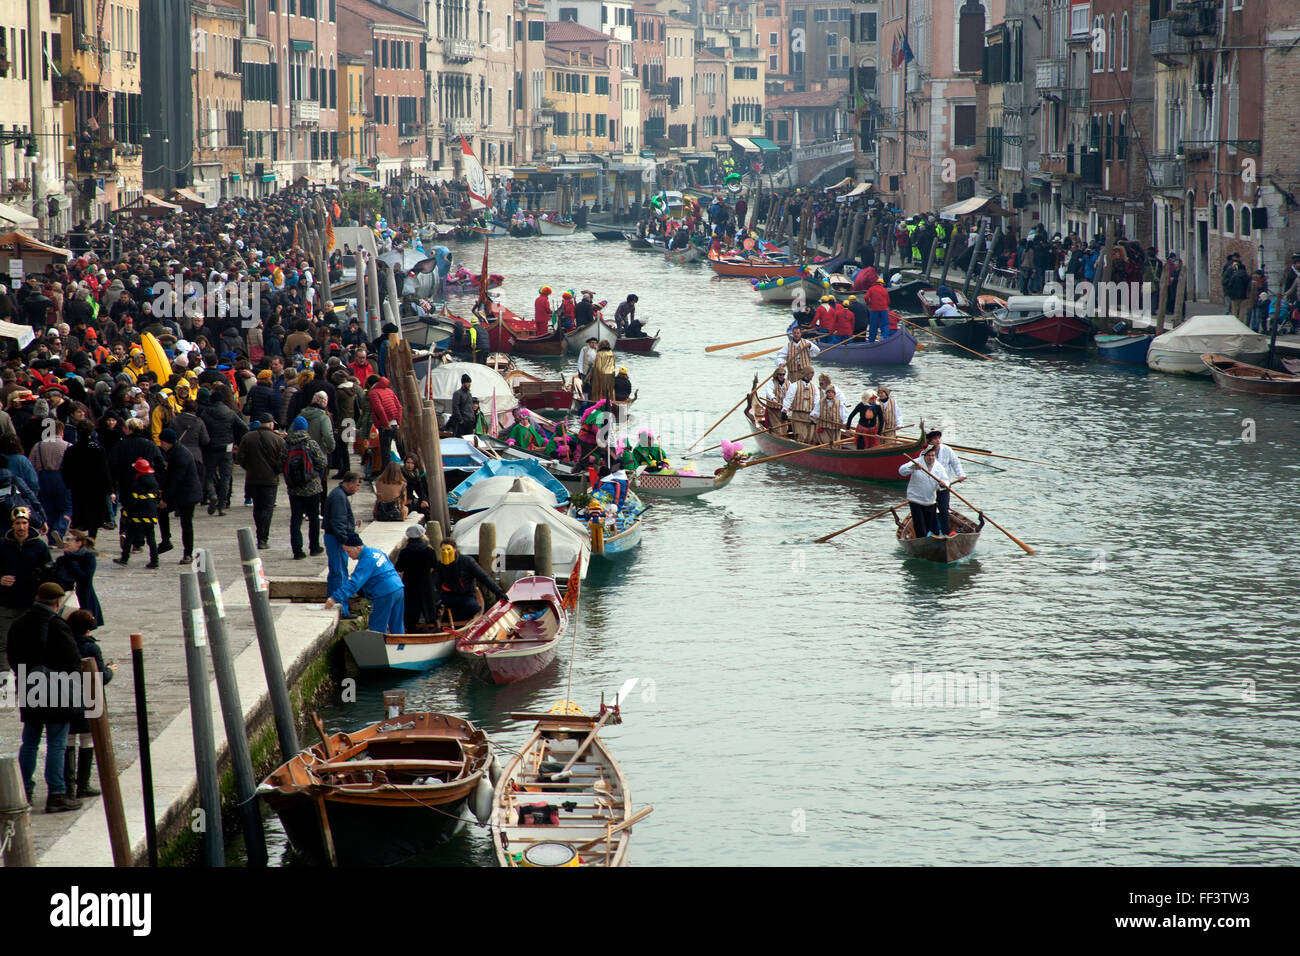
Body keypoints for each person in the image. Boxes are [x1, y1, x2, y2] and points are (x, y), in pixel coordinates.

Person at [6, 582, 83, 811]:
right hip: (56, 689)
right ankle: (57, 794)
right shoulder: (57, 625)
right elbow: (71, 661)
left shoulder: (19, 623)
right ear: (58, 602)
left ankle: (24, 790)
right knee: (57, 742)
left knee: (30, 741)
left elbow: (11, 655)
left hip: (29, 686)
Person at [65, 607, 114, 799]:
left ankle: (68, 786)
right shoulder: (91, 647)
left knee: (68, 740)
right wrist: (111, 670)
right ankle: (83, 785)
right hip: (88, 699)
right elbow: (100, 677)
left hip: (67, 698)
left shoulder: (64, 642)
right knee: (87, 740)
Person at [0, 506, 53, 670]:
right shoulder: (2, 546)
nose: (21, 527)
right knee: (4, 642)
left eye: (24, 523)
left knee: (31, 642)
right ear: (12, 525)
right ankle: (3, 677)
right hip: (6, 603)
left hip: (30, 604)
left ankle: (29, 675)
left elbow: (50, 573)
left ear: (29, 524)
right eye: (17, 523)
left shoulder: (39, 547)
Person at [325, 534, 406, 635]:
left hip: (384, 593)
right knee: (397, 624)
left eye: (348, 551)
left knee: (376, 627)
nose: (347, 555)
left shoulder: (366, 560)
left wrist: (334, 598)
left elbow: (354, 583)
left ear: (358, 548)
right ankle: (400, 645)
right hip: (398, 588)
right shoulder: (376, 551)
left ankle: (376, 648)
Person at [429, 538, 508, 625]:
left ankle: (458, 622)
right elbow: (433, 583)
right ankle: (444, 622)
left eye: (448, 549)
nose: (446, 552)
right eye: (443, 550)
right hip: (448, 596)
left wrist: (499, 593)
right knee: (433, 606)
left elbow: (483, 577)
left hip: (466, 595)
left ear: (455, 549)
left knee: (473, 607)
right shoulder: (440, 565)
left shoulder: (467, 561)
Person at [236, 414, 286, 550]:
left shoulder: (247, 438)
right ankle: (263, 538)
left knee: (257, 508)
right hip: (270, 480)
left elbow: (240, 458)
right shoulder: (278, 440)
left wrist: (250, 468)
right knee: (267, 509)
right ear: (270, 425)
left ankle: (260, 534)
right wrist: (277, 470)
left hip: (253, 479)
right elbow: (283, 461)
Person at [285, 415, 328, 558]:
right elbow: (322, 462)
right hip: (312, 487)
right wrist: (314, 473)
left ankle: (297, 550)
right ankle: (314, 547)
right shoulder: (311, 443)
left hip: (294, 488)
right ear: (305, 429)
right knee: (314, 517)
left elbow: (281, 463)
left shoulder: (287, 443)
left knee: (296, 519)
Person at [157, 428, 201, 563]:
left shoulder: (180, 455)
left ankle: (188, 553)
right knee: (161, 511)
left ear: (167, 442)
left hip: (187, 493)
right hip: (179, 493)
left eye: (162, 442)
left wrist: (165, 499)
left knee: (186, 523)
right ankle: (166, 541)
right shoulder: (173, 452)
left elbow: (176, 479)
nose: (161, 444)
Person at [324, 472, 361, 618]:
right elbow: (338, 522)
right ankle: (342, 609)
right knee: (339, 573)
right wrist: (346, 541)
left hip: (334, 537)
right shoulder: (339, 497)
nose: (357, 488)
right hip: (336, 539)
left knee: (336, 572)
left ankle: (334, 604)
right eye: (357, 485)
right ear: (350, 483)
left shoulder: (338, 494)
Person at [114, 457, 161, 568]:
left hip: (138, 515)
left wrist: (127, 513)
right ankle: (155, 560)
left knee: (130, 536)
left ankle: (124, 558)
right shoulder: (153, 481)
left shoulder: (137, 483)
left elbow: (133, 501)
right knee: (151, 538)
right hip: (150, 514)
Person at [899, 444, 951, 539]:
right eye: (929, 455)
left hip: (930, 501)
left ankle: (935, 542)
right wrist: (913, 467)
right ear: (924, 456)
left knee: (934, 529)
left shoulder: (938, 467)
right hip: (915, 500)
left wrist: (943, 484)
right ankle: (922, 543)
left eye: (933, 455)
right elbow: (901, 471)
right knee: (921, 529)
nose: (931, 458)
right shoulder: (916, 462)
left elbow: (946, 480)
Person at [394, 525, 439, 631]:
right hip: (426, 581)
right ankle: (431, 622)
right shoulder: (429, 551)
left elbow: (399, 567)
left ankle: (411, 627)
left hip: (410, 582)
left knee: (410, 605)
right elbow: (434, 565)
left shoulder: (405, 552)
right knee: (428, 603)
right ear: (422, 536)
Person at [54, 528, 102, 625]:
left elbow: (85, 578)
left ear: (79, 543)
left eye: (69, 540)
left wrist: (72, 562)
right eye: (65, 540)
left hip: (82, 597)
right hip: (64, 597)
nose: (65, 543)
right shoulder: (62, 559)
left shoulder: (88, 557)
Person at [927, 429, 967, 535]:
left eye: (938, 438)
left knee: (944, 510)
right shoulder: (925, 452)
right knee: (930, 511)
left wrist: (961, 475)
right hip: (930, 487)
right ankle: (932, 532)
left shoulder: (947, 450)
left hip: (944, 486)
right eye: (934, 439)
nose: (937, 440)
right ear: (930, 441)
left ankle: (946, 533)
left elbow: (955, 463)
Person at [367, 375, 403, 464]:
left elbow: (379, 409)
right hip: (395, 423)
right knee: (400, 447)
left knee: (385, 451)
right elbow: (399, 406)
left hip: (385, 425)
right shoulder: (389, 390)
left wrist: (386, 424)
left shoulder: (373, 393)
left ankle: (387, 473)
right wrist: (398, 422)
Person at [811, 373, 849, 446]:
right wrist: (814, 416)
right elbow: (815, 411)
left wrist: (845, 423)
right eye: (828, 392)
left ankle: (835, 450)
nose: (830, 394)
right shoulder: (821, 402)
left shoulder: (839, 402)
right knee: (826, 443)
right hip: (824, 426)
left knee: (836, 443)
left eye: (832, 393)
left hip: (835, 427)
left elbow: (844, 414)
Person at [781, 369, 817, 442]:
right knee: (800, 435)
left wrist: (816, 414)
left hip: (810, 415)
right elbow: (788, 399)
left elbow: (817, 402)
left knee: (809, 437)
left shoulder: (814, 387)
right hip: (798, 414)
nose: (812, 376)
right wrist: (784, 411)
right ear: (806, 375)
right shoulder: (794, 386)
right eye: (811, 374)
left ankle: (806, 448)